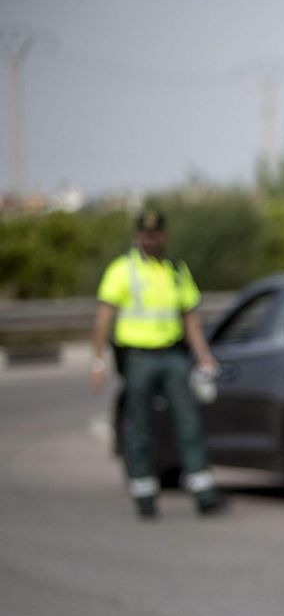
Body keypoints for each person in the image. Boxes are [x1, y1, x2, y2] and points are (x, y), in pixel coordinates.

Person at [91, 209, 224, 519]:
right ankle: (144, 493)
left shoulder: (177, 270)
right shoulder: (123, 270)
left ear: (164, 235)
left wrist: (204, 355)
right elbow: (103, 318)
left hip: (174, 357)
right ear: (138, 237)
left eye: (156, 235)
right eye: (146, 235)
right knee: (140, 427)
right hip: (138, 358)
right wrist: (98, 360)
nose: (151, 240)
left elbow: (189, 316)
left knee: (189, 422)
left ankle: (203, 490)